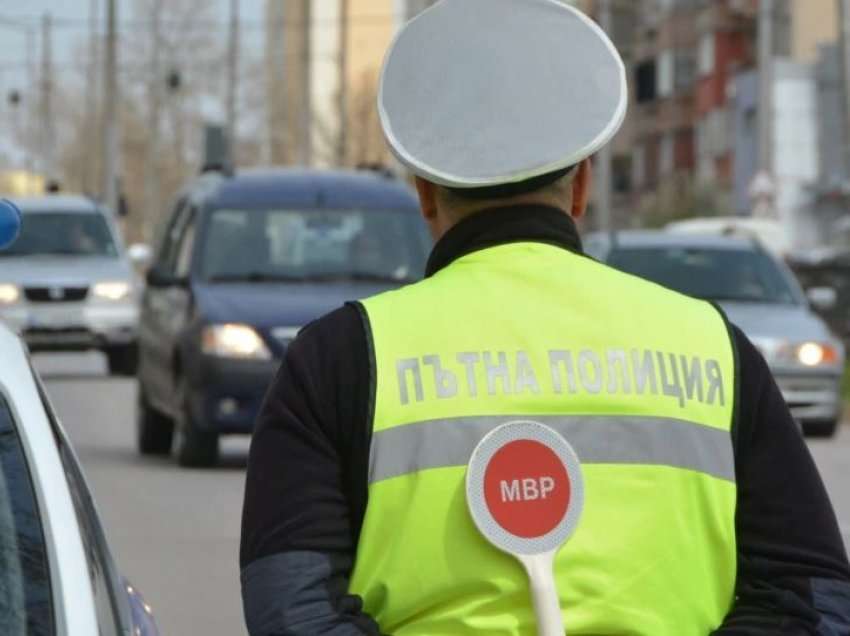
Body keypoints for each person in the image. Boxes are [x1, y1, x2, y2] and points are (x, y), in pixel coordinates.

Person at [240, 0, 850, 633]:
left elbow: (293, 611)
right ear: (583, 185)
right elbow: (810, 598)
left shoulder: (337, 359)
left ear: (424, 193)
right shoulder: (713, 349)